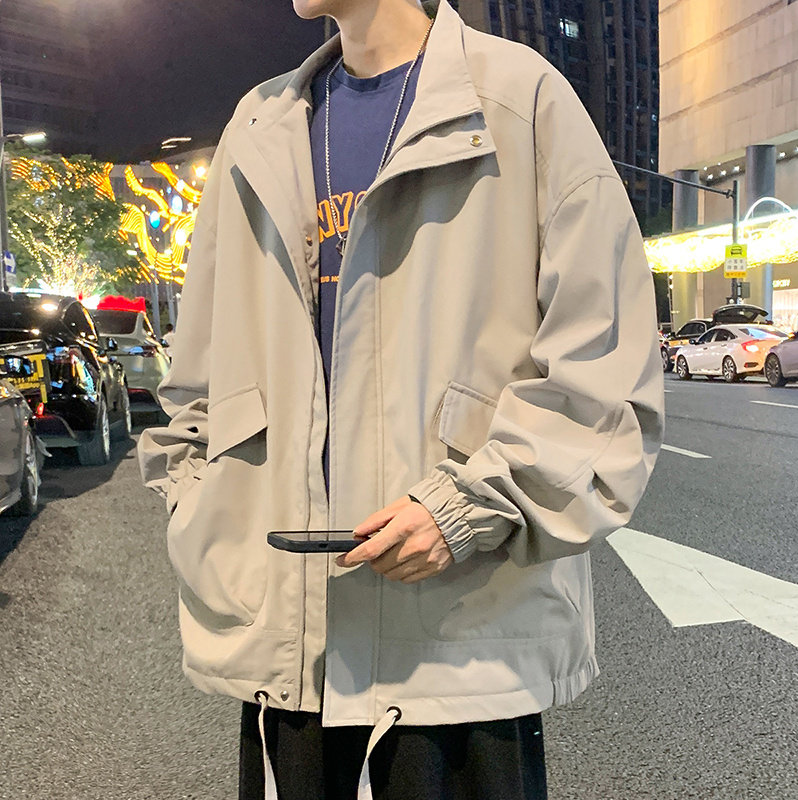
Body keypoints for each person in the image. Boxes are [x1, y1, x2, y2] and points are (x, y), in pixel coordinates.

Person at [137, 1, 664, 798]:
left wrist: (467, 508)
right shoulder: (261, 124)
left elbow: (603, 367)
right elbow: (200, 374)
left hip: (459, 639)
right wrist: (198, 502)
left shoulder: (517, 99)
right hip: (291, 641)